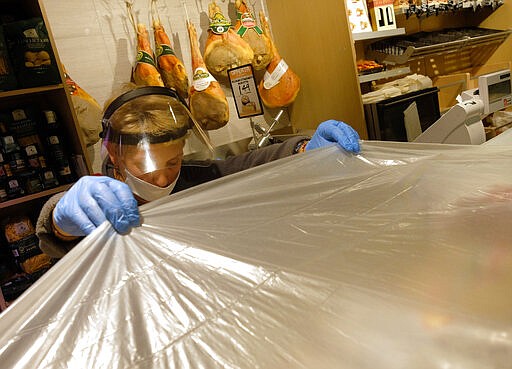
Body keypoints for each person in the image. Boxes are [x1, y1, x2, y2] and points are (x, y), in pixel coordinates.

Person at [36, 85, 360, 258]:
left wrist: (303, 152)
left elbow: (244, 167)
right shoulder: (97, 197)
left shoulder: (195, 179)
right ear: (114, 154)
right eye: (145, 167)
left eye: (172, 162)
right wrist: (58, 221)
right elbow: (58, 241)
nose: (162, 179)